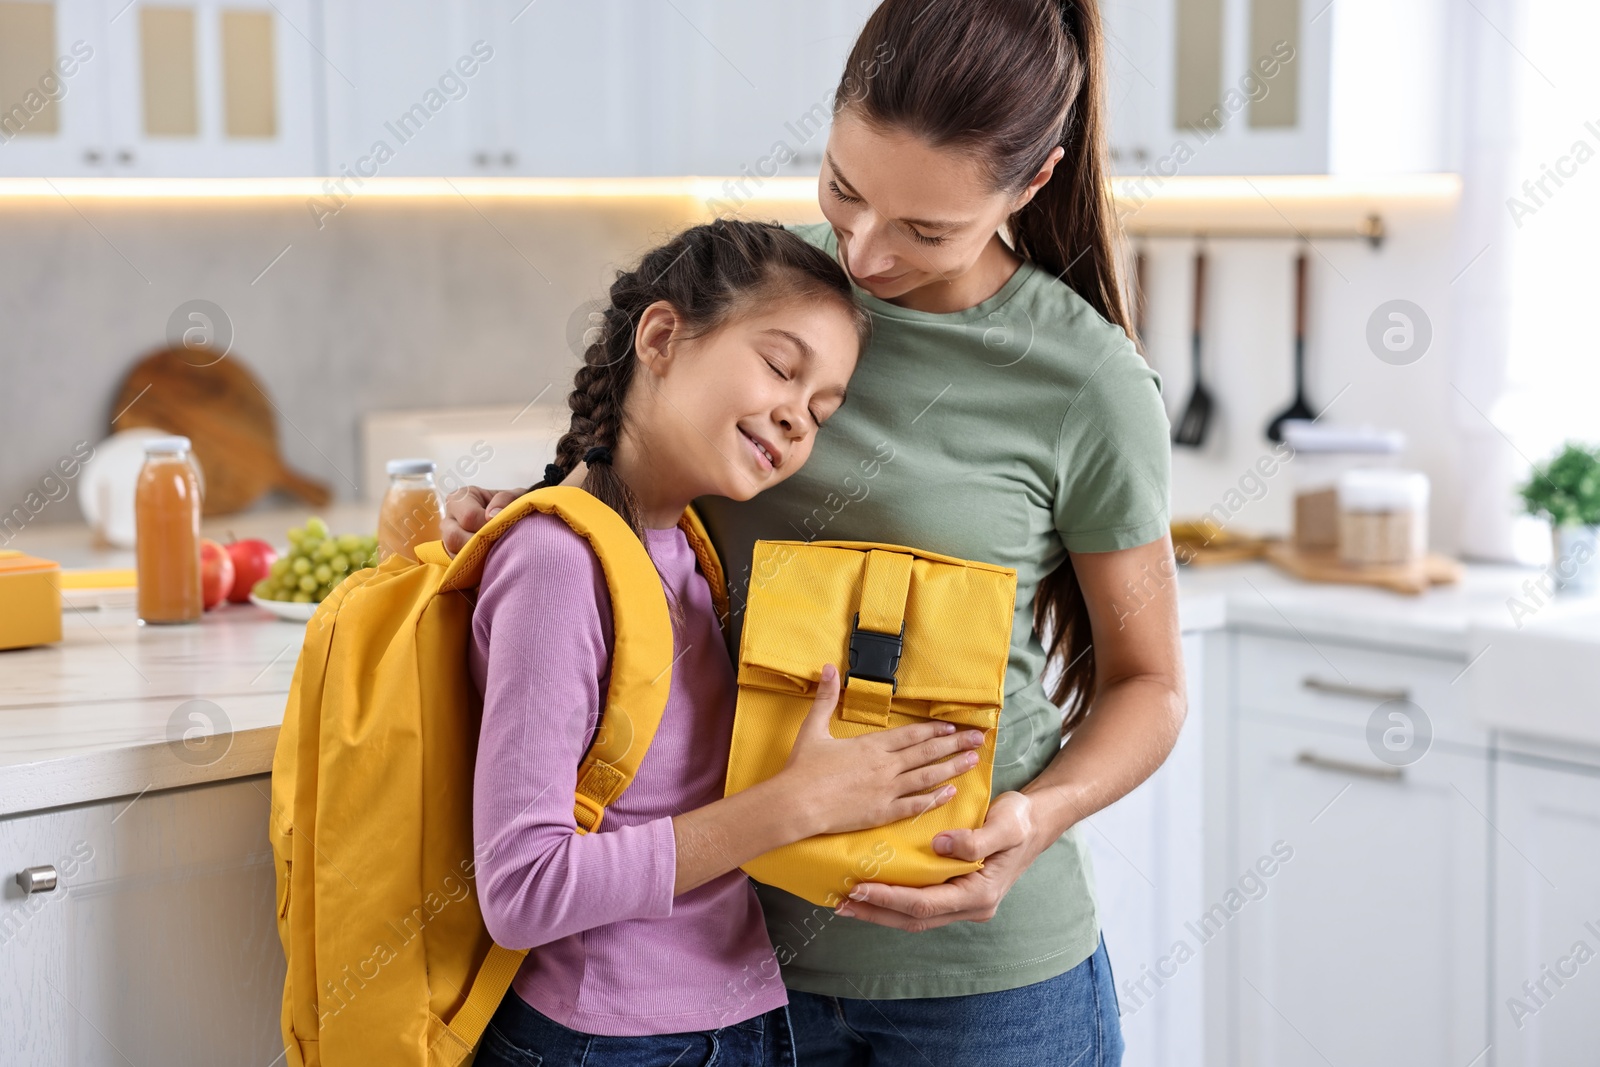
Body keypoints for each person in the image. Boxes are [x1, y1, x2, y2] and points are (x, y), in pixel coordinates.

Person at [449, 1, 1185, 1062]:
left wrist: (1032, 821)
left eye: (925, 230)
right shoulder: (760, 296)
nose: (864, 251)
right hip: (720, 968)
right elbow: (625, 504)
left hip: (983, 983)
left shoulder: (1089, 381)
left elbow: (1150, 684)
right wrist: (524, 512)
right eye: (842, 188)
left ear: (1029, 185)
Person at [469, 219, 988, 1067]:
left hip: (729, 1020)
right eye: (782, 368)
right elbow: (523, 888)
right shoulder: (559, 560)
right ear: (663, 337)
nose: (796, 416)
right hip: (609, 1040)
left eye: (822, 410)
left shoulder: (685, 551)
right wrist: (793, 805)